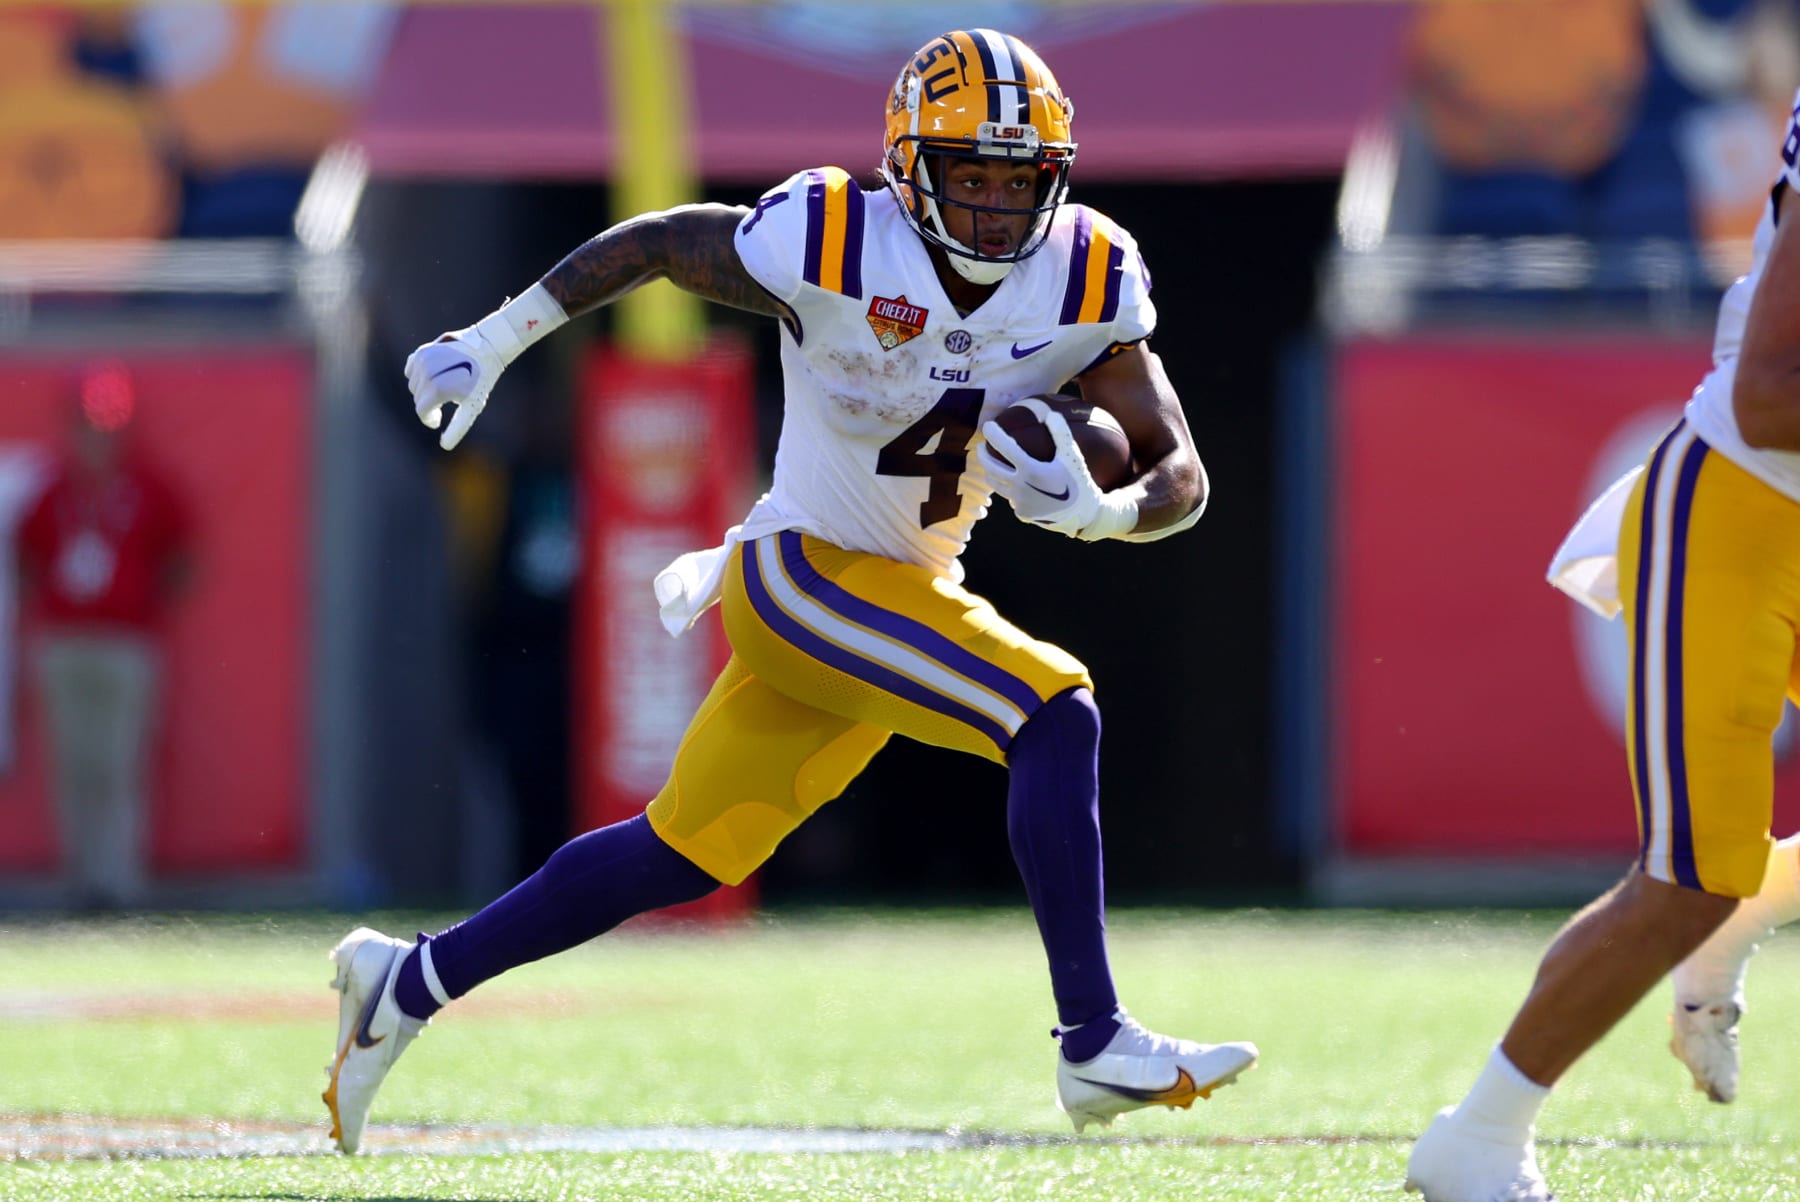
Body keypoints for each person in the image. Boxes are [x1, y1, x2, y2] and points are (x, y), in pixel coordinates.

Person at [322, 28, 1255, 1156]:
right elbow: (665, 242)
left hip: (894, 593)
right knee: (1053, 708)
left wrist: (1103, 511)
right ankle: (1092, 1037)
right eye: (975, 175)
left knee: (679, 848)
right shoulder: (834, 237)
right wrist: (496, 337)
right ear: (911, 170)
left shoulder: (1088, 275)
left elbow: (1181, 470)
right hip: (801, 572)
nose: (1002, 206)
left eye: (1023, 178)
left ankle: (406, 979)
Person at [1405, 88, 1800, 1202]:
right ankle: (1478, 1134)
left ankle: (1740, 915)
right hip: (1746, 502)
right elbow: (1772, 397)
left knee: (1717, 883)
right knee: (1687, 875)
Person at [16, 362, 192, 910]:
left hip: (126, 643)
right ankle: (81, 881)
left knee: (120, 763)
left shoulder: (148, 489)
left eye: (109, 423)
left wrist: (140, 600)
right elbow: (27, 558)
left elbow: (183, 558)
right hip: (64, 643)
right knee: (74, 763)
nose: (98, 436)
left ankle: (119, 882)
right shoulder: (53, 491)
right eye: (89, 423)